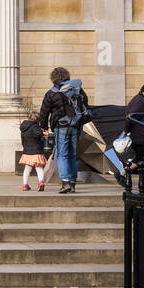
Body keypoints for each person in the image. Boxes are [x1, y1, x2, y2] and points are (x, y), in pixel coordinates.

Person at [38, 66, 89, 194]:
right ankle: (72, 183)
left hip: (62, 126)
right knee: (73, 155)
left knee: (62, 154)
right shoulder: (77, 89)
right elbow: (86, 104)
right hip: (76, 125)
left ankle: (65, 182)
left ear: (53, 78)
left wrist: (43, 126)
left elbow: (44, 112)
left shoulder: (51, 93)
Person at [18, 111, 48, 192]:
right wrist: (43, 134)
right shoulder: (35, 126)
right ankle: (41, 182)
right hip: (37, 151)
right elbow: (38, 134)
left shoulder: (23, 127)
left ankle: (25, 185)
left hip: (27, 151)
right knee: (39, 168)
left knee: (27, 169)